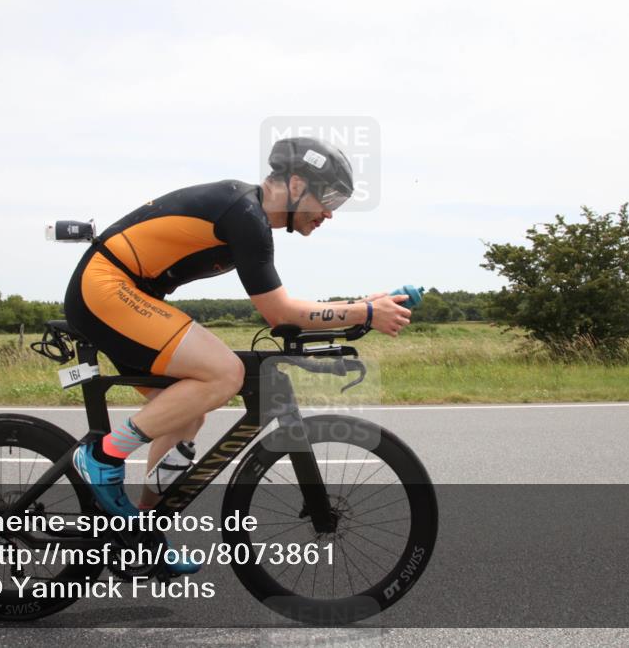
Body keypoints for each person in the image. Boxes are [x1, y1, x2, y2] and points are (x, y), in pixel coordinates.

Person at [64, 136, 412, 573]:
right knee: (225, 374)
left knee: (187, 415)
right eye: (328, 198)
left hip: (123, 292)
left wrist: (361, 306)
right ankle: (103, 456)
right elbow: (279, 312)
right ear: (297, 182)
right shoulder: (243, 212)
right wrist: (363, 310)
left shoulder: (251, 218)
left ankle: (139, 537)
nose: (329, 213)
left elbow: (284, 311)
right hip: (106, 287)